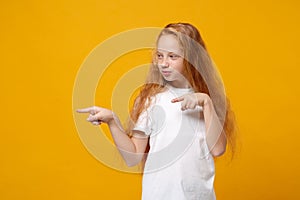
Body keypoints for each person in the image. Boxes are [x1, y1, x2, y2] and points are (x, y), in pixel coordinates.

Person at [77, 22, 236, 200]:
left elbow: (218, 149)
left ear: (192, 58)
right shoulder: (150, 100)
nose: (164, 63)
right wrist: (112, 121)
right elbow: (133, 157)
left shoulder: (207, 100)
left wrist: (206, 103)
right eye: (160, 56)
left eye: (173, 56)